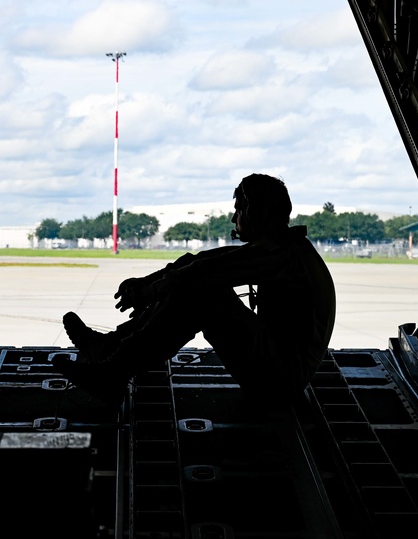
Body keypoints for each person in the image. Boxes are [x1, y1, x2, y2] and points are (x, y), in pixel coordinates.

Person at [54, 173, 335, 406]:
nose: (235, 218)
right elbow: (202, 261)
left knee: (201, 293)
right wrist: (148, 283)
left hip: (279, 380)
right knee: (197, 284)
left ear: (254, 211)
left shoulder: (278, 253)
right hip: (280, 370)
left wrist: (150, 291)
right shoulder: (284, 248)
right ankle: (111, 352)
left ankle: (112, 371)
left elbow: (204, 272)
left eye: (239, 209)